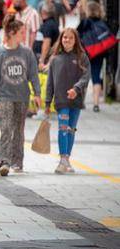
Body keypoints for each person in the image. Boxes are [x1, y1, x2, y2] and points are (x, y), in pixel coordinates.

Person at [0, 15, 41, 176]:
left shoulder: (27, 52)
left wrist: (37, 93)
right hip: (4, 97)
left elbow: (33, 74)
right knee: (6, 129)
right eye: (21, 32)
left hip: (22, 97)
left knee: (18, 130)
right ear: (11, 33)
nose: (24, 35)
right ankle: (4, 161)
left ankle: (18, 161)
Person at [45, 28, 90, 174]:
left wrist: (76, 89)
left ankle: (67, 159)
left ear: (76, 40)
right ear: (61, 39)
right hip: (61, 100)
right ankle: (62, 159)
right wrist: (47, 102)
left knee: (71, 130)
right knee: (63, 128)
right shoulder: (55, 59)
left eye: (71, 38)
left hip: (76, 100)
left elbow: (85, 77)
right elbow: (50, 82)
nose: (67, 40)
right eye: (65, 38)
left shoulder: (82, 57)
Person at [77, 0, 109, 112]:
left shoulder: (84, 22)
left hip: (86, 53)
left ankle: (81, 102)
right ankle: (96, 104)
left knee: (83, 76)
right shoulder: (102, 23)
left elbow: (76, 36)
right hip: (99, 54)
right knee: (96, 77)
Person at [33, 1, 60, 68]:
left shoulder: (48, 25)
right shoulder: (51, 23)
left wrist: (42, 60)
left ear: (43, 12)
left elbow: (47, 43)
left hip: (44, 58)